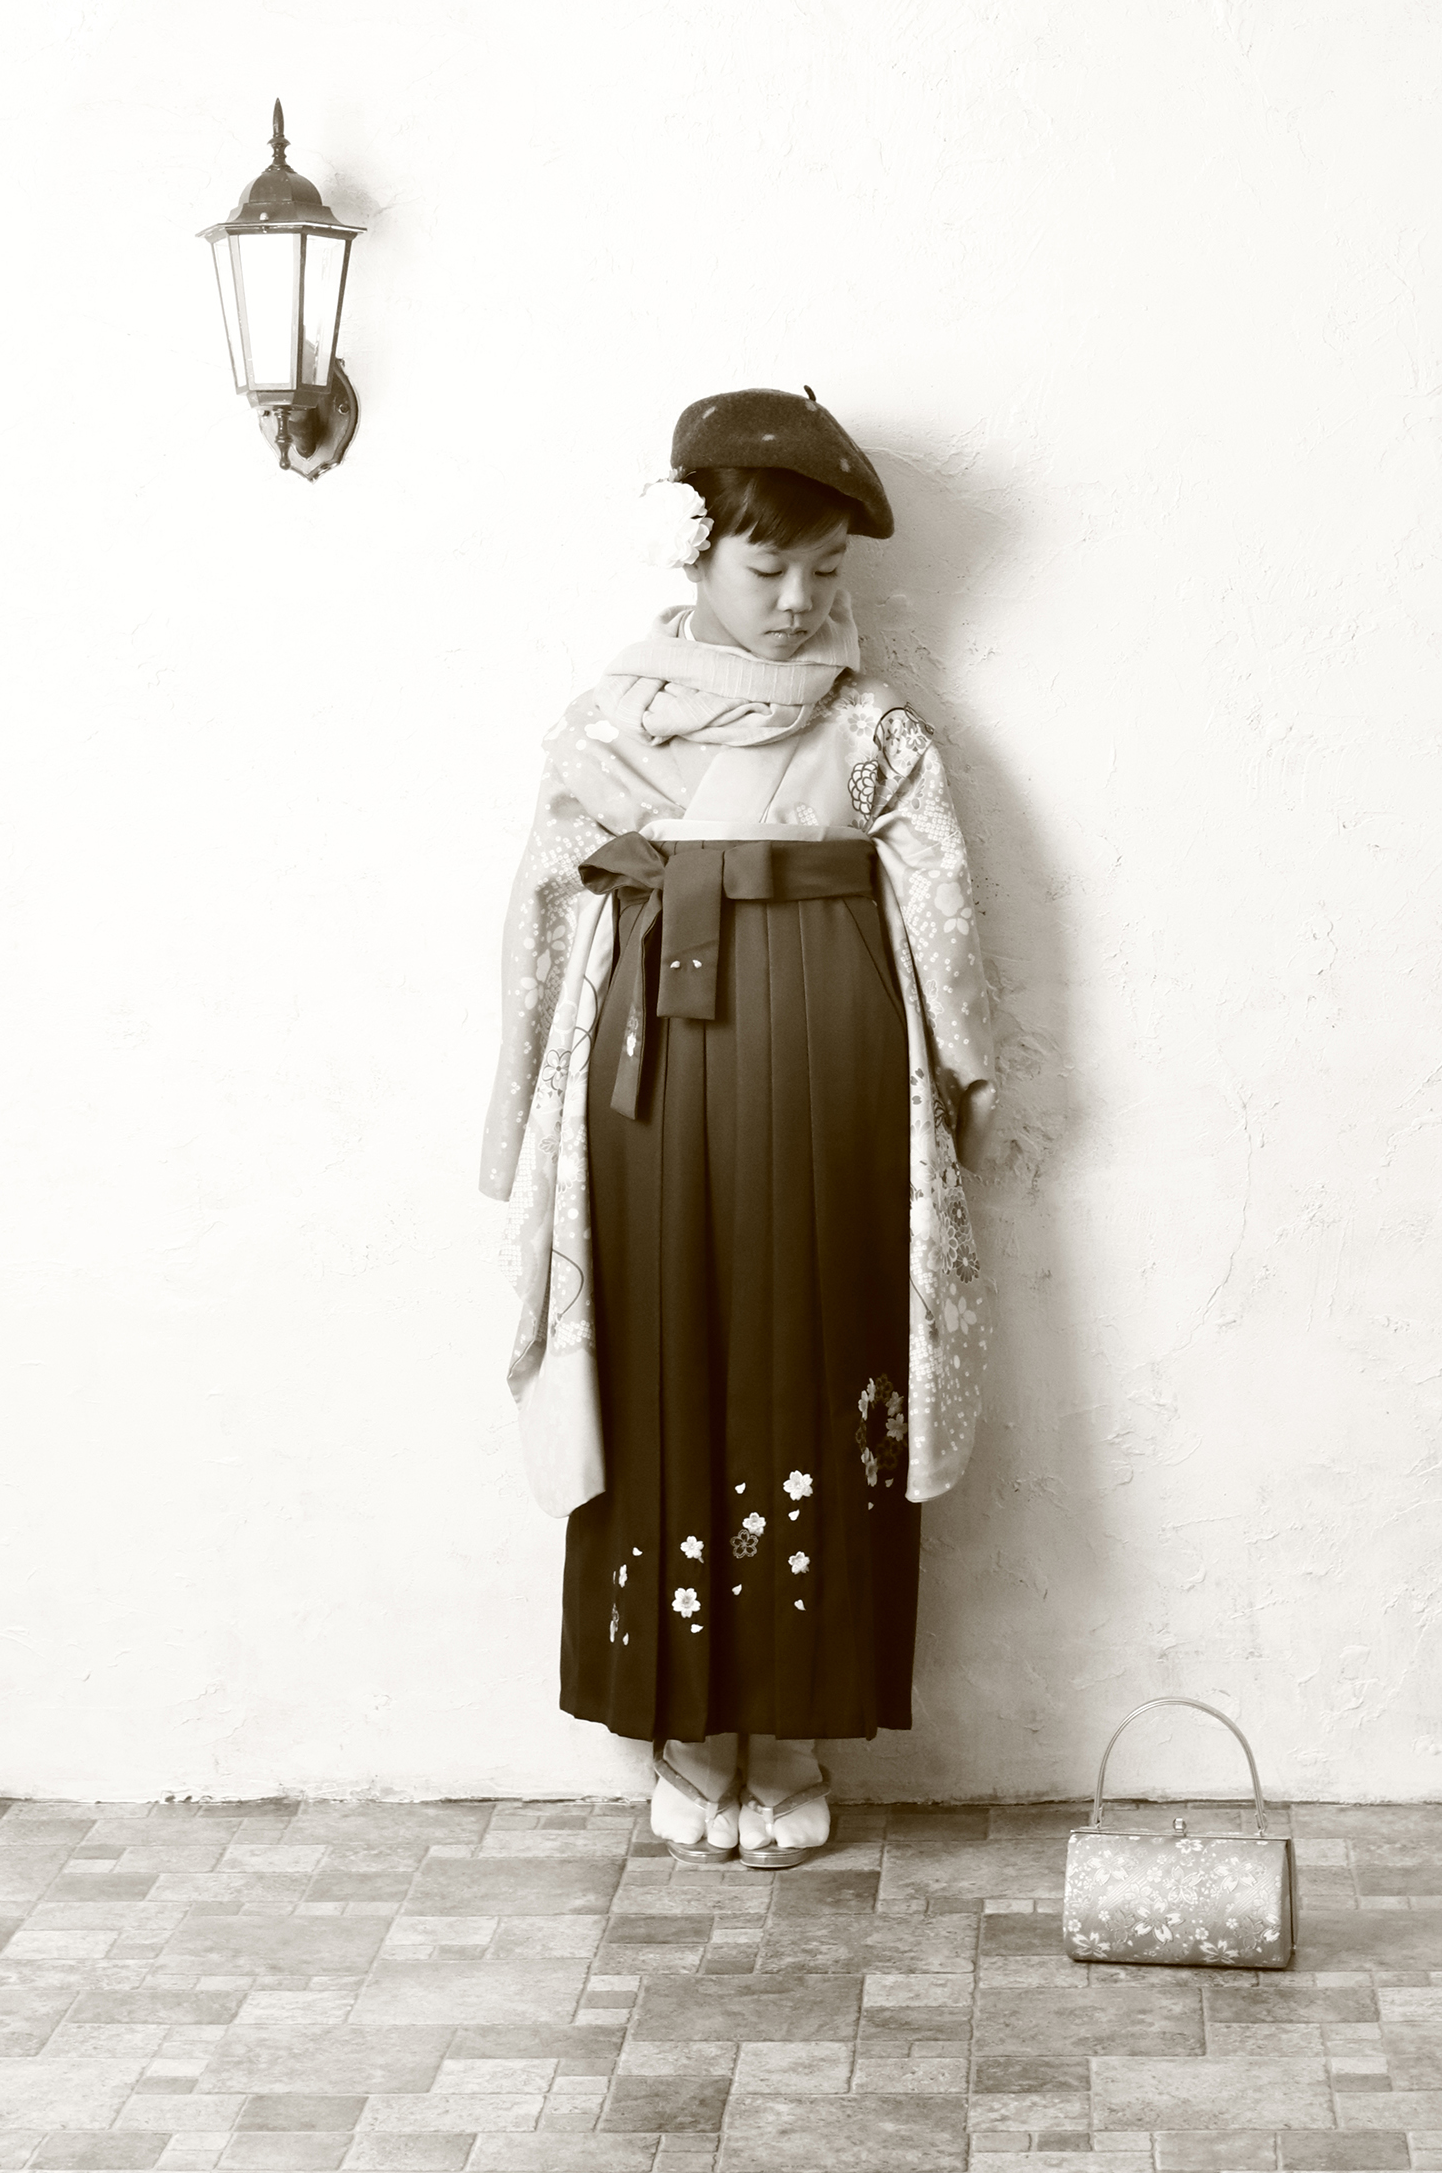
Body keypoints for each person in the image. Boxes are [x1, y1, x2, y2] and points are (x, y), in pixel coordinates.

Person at [481, 387, 996, 1867]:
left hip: (836, 1053)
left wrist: (967, 1074)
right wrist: (518, 1106)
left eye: (824, 573)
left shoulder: (873, 728)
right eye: (767, 568)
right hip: (653, 1064)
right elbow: (542, 908)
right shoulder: (613, 724)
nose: (797, 603)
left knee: (823, 1340)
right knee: (664, 1341)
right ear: (693, 552)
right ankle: (686, 1726)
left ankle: (793, 1727)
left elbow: (940, 897)